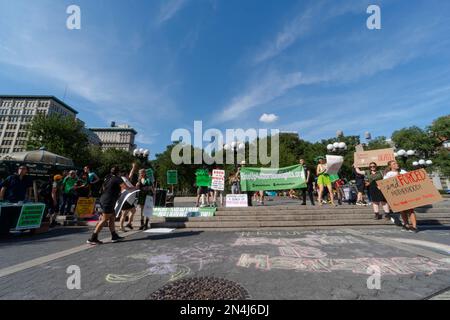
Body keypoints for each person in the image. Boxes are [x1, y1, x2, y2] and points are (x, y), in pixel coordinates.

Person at [87, 166, 125, 245]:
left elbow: (103, 187)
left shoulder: (107, 177)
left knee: (112, 217)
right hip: (109, 201)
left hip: (104, 198)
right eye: (120, 172)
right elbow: (124, 187)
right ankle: (93, 238)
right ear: (118, 172)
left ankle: (114, 236)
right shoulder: (118, 178)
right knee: (104, 219)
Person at [383, 160, 418, 233]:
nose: (396, 164)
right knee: (402, 211)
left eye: (396, 163)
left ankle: (414, 227)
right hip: (397, 195)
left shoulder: (403, 171)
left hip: (406, 194)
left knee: (411, 210)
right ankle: (406, 225)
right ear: (390, 166)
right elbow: (384, 184)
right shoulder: (388, 174)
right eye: (394, 163)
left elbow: (410, 179)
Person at [118, 164, 138, 233]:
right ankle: (121, 227)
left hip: (130, 200)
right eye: (127, 174)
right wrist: (135, 187)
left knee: (133, 211)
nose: (129, 176)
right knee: (124, 214)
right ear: (125, 174)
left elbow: (131, 174)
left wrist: (133, 167)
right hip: (126, 199)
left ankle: (129, 223)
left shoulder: (126, 179)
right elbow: (127, 188)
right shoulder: (122, 180)